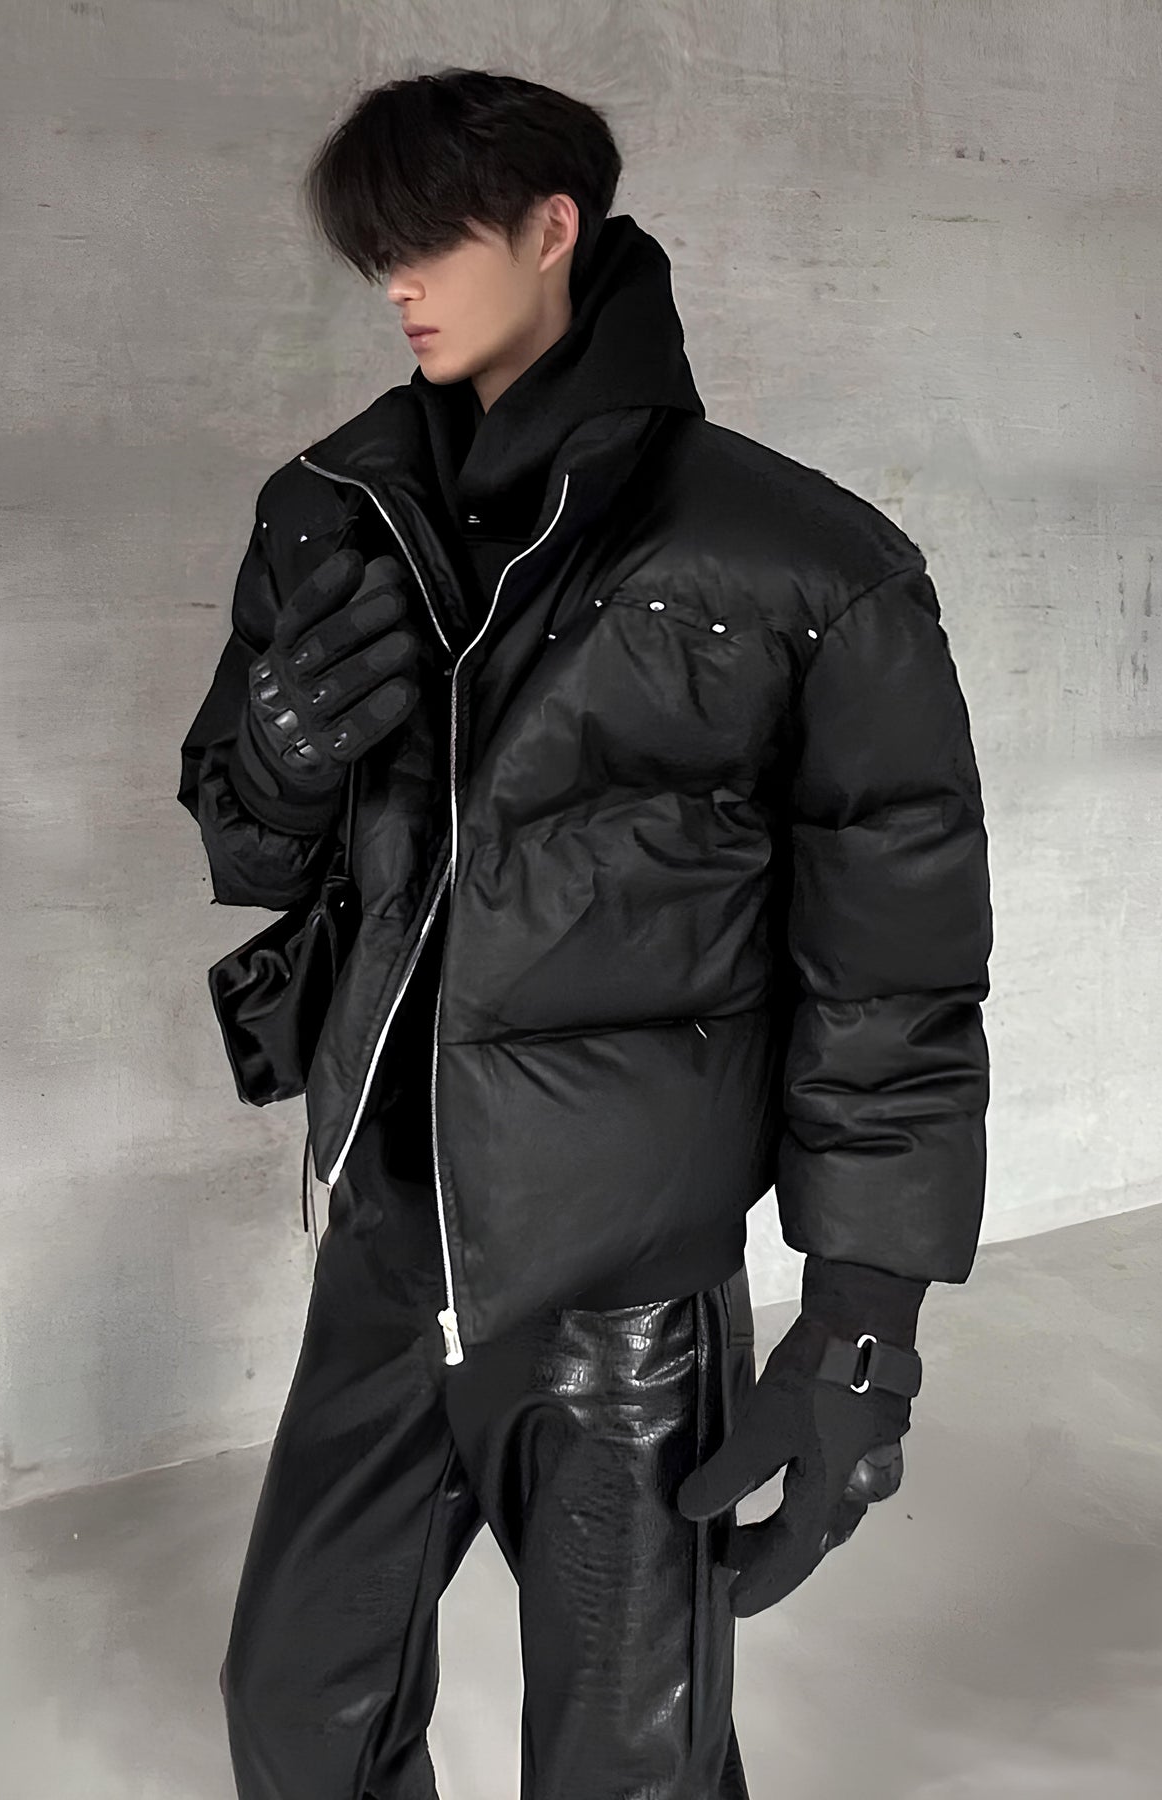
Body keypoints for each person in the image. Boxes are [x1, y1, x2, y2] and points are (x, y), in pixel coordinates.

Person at [177, 65, 993, 1800]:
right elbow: (246, 841)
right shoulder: (329, 513)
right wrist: (275, 761)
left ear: (555, 229)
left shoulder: (805, 566)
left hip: (624, 1293)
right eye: (376, 253)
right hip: (388, 1246)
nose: (398, 285)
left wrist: (864, 1318)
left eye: (431, 241)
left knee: (632, 1770)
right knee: (295, 1713)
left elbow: (895, 975)